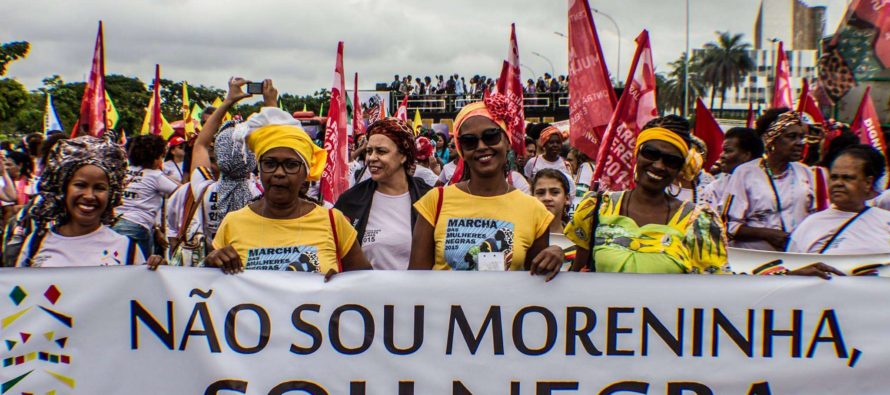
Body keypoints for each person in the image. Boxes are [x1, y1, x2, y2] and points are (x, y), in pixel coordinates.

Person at [207, 78, 371, 275]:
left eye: (291, 165)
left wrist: (339, 287)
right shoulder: (232, 223)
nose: (279, 172)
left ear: (306, 173)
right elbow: (208, 291)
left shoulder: (333, 221)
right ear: (258, 169)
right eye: (270, 164)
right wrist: (211, 264)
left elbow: (364, 286)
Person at [408, 99, 562, 278]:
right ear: (462, 150)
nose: (481, 146)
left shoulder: (535, 210)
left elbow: (536, 285)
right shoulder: (435, 201)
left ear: (507, 142)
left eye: (491, 136)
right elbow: (416, 283)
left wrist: (555, 254)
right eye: (469, 141)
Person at [565, 124, 730, 274]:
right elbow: (578, 273)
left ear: (679, 169)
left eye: (671, 161)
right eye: (651, 153)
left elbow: (712, 293)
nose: (658, 165)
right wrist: (557, 253)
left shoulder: (699, 223)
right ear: (637, 155)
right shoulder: (597, 208)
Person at [14, 136, 160, 267]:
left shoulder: (126, 248)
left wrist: (159, 273)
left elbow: (140, 294)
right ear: (64, 189)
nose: (89, 196)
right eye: (80, 185)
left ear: (111, 194)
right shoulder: (36, 243)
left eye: (99, 188)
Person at [335, 119, 432, 270]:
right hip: (366, 292)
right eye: (369, 151)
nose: (371, 158)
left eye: (381, 151)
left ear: (403, 156)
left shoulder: (429, 198)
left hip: (417, 292)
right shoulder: (350, 200)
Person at [724, 109, 815, 251]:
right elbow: (729, 226)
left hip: (796, 259)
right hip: (755, 263)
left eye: (801, 137)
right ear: (771, 139)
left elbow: (816, 219)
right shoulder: (745, 173)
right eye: (792, 136)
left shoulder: (806, 173)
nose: (800, 143)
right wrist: (767, 234)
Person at [788, 145, 890, 254]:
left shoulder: (885, 221)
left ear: (868, 183)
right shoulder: (809, 227)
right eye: (834, 177)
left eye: (847, 178)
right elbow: (791, 266)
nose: (838, 183)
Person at [112, 134, 180, 257]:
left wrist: (157, 230)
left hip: (114, 224)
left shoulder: (123, 171)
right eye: (161, 157)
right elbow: (182, 191)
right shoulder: (155, 176)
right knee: (143, 269)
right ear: (154, 158)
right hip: (137, 228)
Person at [700, 127, 764, 214]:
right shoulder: (714, 189)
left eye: (728, 151)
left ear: (746, 155)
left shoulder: (768, 186)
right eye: (723, 151)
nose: (721, 155)